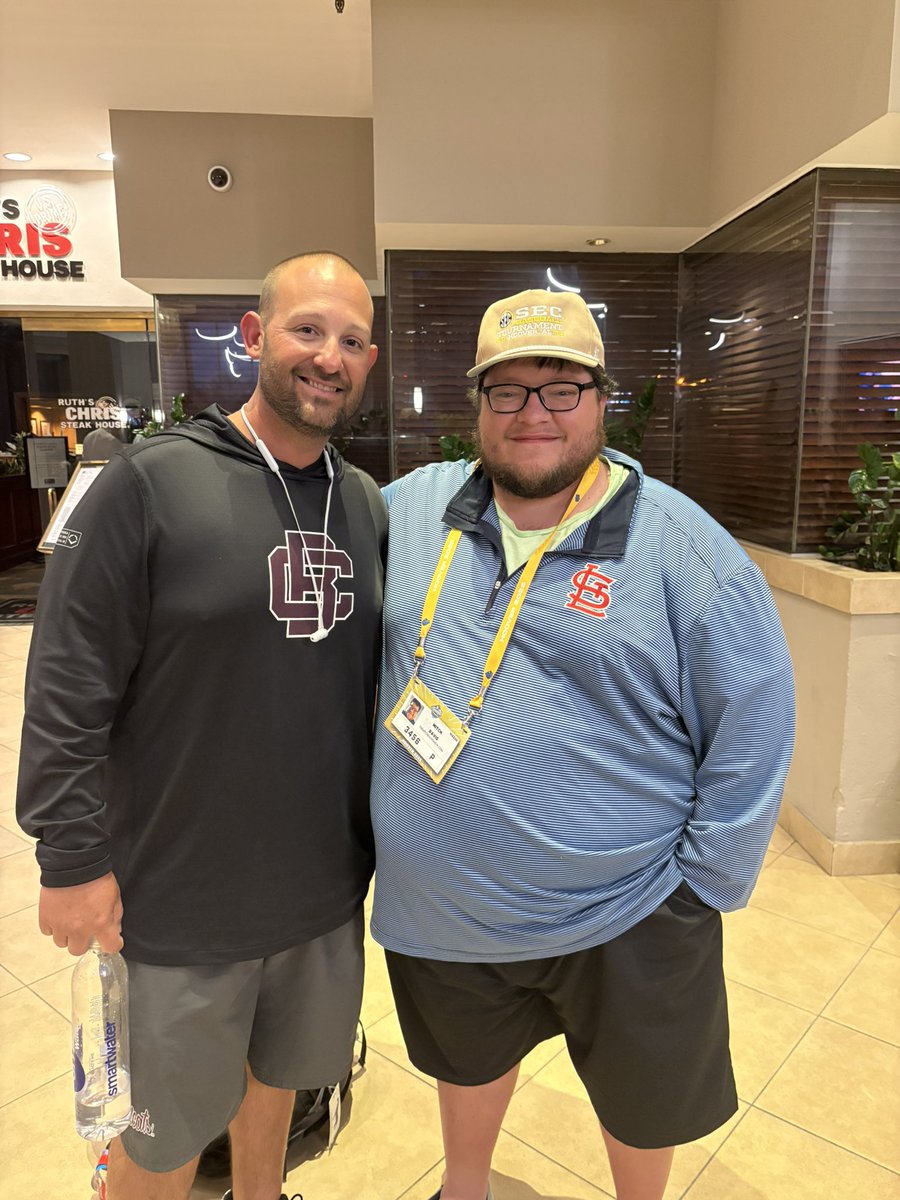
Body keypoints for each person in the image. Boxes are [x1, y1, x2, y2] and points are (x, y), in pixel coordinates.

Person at [370, 289, 795, 1200]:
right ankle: (465, 1188)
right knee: (467, 1064)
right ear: (478, 403)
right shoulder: (408, 512)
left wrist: (701, 886)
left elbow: (756, 719)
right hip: (446, 908)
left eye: (561, 389)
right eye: (507, 390)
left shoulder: (682, 545)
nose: (533, 414)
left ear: (602, 399)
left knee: (643, 1102)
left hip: (628, 907)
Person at [17, 251, 387, 1200]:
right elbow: (66, 682)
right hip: (180, 897)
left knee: (277, 1086)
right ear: (255, 336)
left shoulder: (363, 503)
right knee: (163, 1135)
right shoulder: (148, 484)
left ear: (369, 360)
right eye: (307, 329)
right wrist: (71, 858)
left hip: (319, 893)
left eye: (351, 340)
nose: (329, 357)